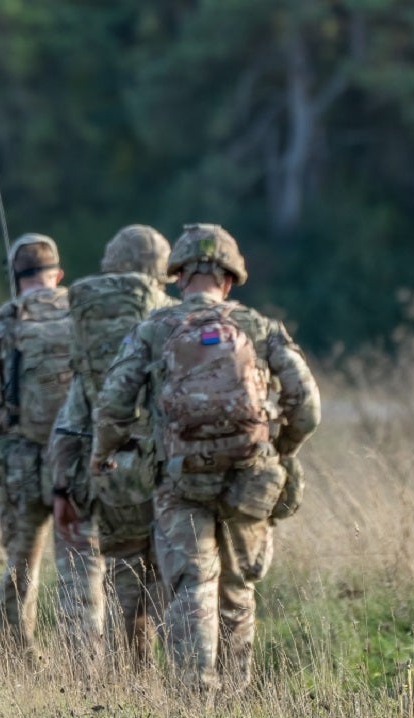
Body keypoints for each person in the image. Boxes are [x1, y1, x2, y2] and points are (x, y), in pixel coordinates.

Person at [91, 223, 320, 692]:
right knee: (237, 589)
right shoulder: (259, 327)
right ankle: (234, 699)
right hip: (249, 475)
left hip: (180, 480)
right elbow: (308, 405)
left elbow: (114, 402)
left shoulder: (154, 328)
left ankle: (196, 700)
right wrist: (281, 450)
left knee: (191, 586)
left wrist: (103, 453)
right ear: (229, 279)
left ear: (178, 277)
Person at [47, 224, 176, 662]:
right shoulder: (170, 318)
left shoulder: (85, 321)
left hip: (96, 463)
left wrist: (62, 484)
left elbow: (74, 408)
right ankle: (151, 671)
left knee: (109, 574)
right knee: (158, 577)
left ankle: (99, 672)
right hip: (153, 467)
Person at [0, 233, 74, 652]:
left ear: (15, 278)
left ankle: (14, 650)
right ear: (58, 274)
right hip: (75, 460)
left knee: (21, 562)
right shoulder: (80, 314)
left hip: (19, 460)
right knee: (80, 562)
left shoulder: (1, 322)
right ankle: (85, 652)